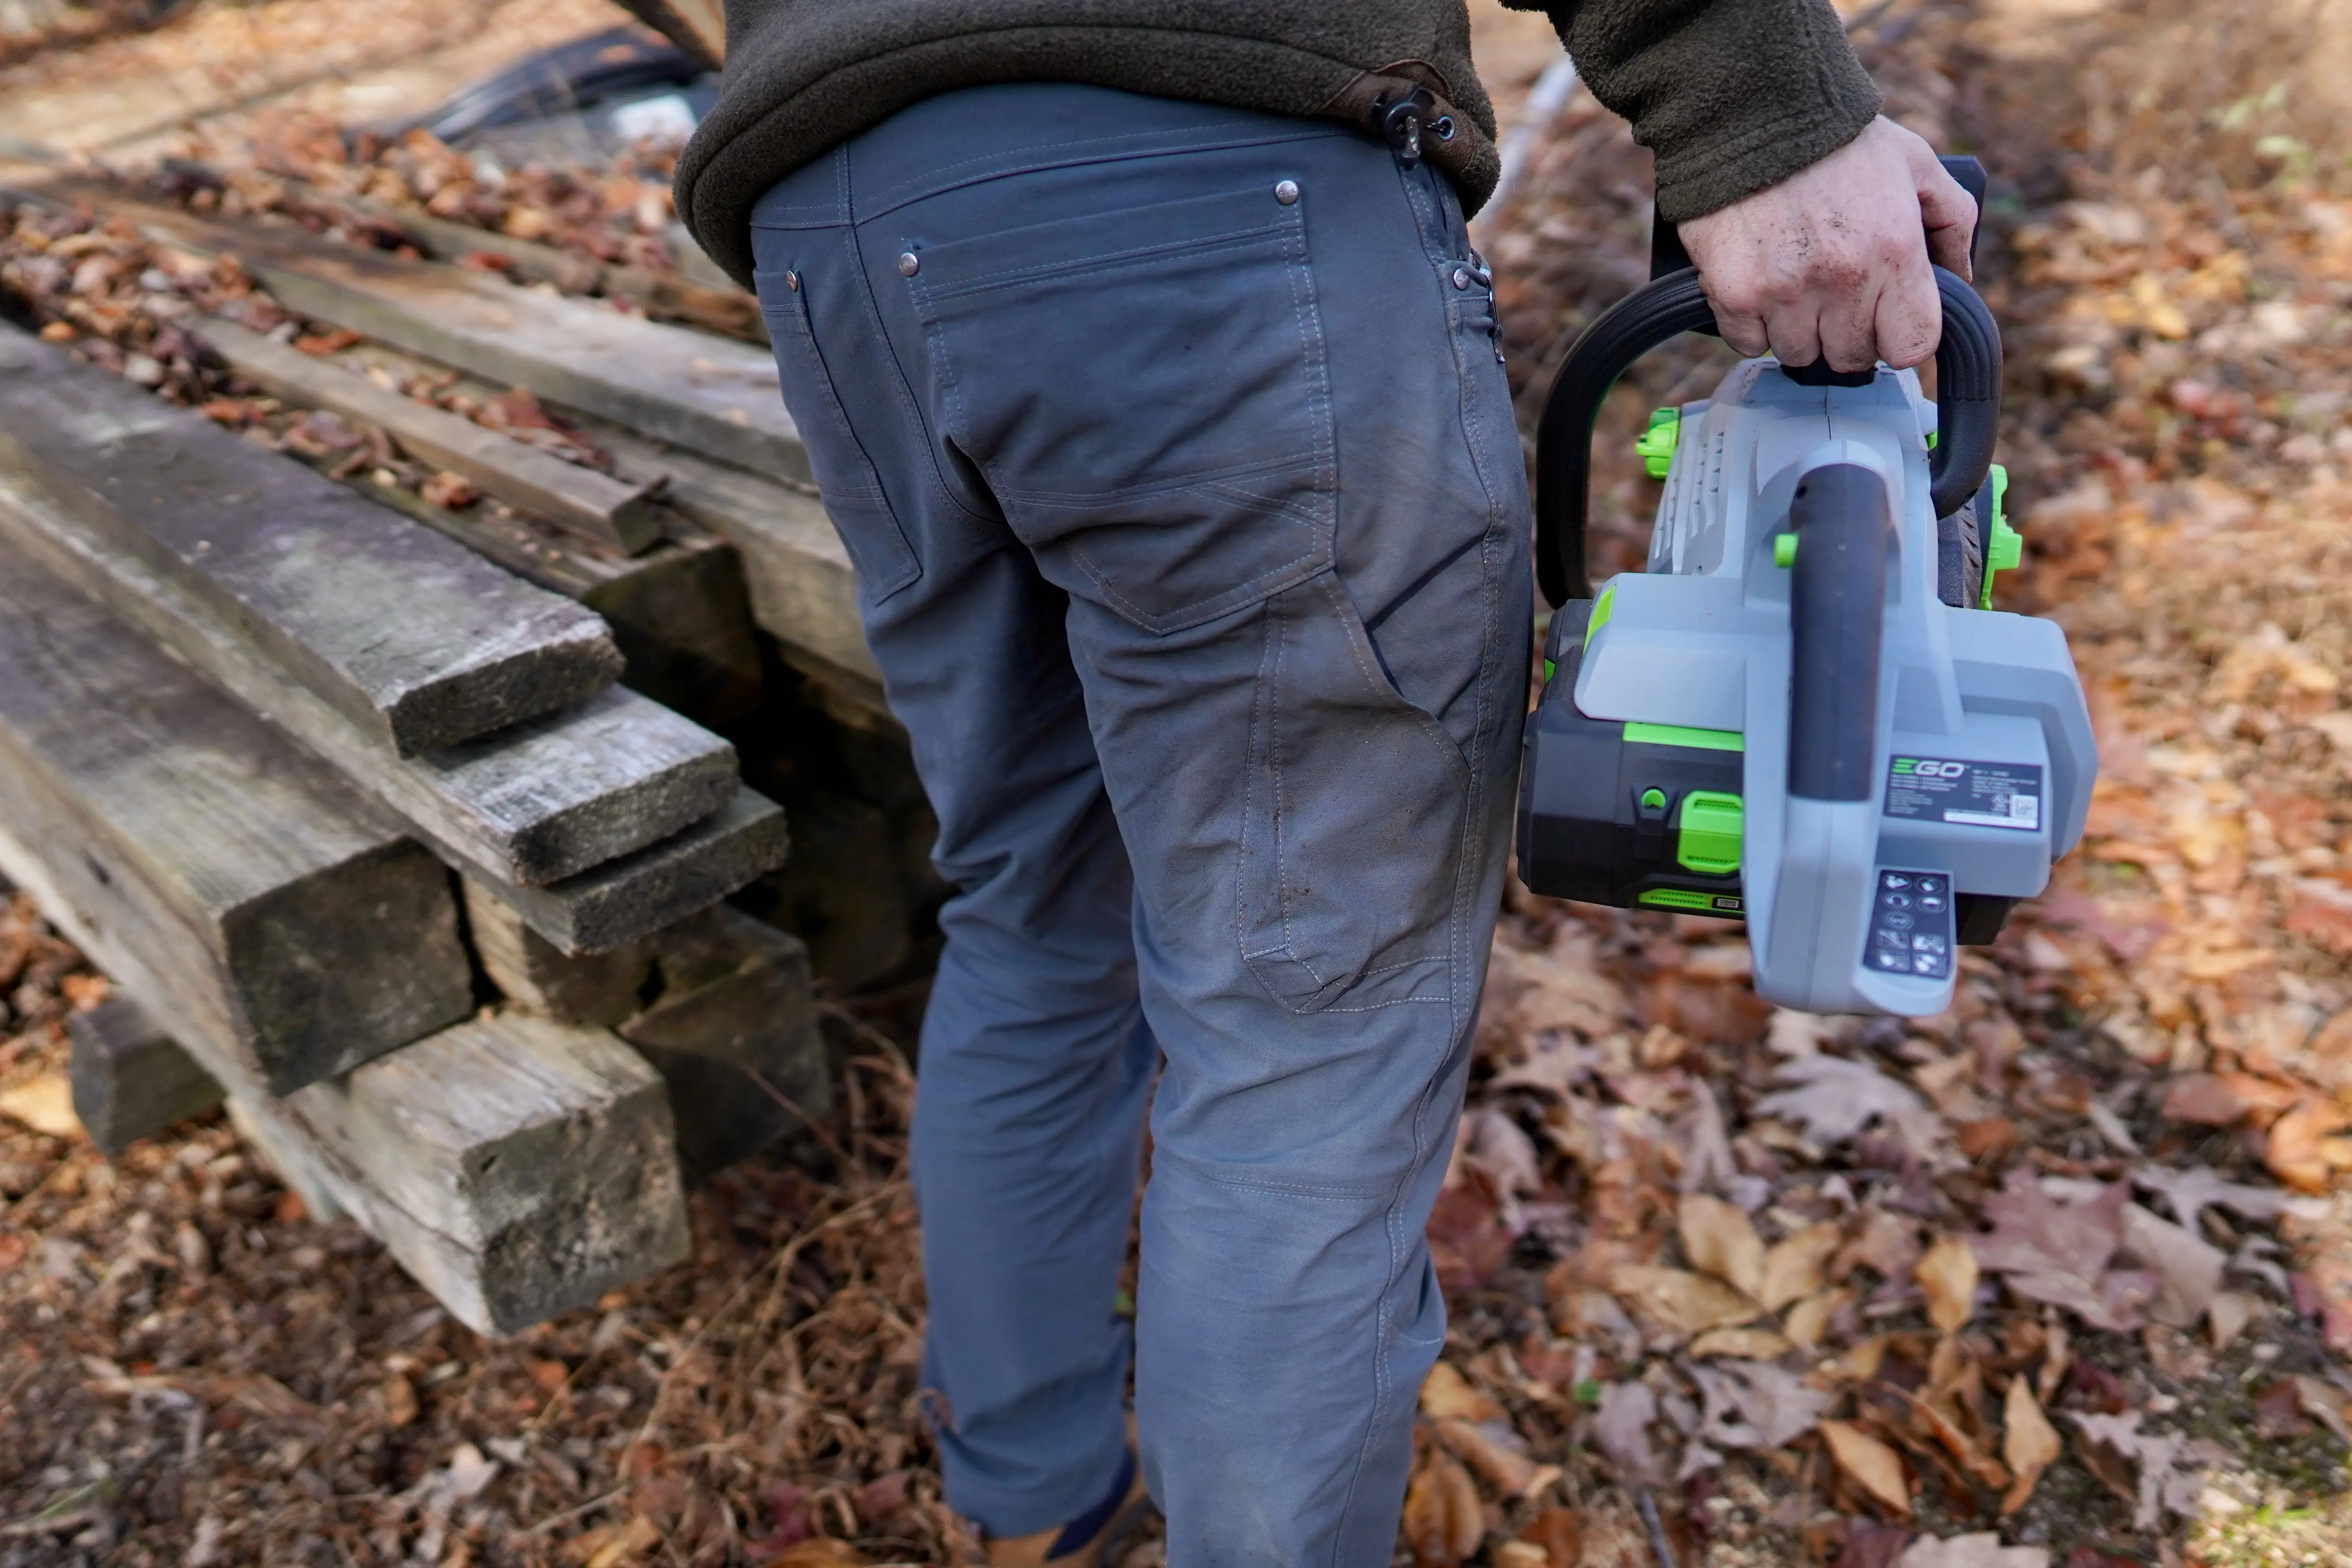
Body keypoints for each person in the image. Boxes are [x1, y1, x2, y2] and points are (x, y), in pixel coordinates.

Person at [673, 3, 1978, 1562]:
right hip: (1217, 180)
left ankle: (1032, 1504)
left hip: (841, 216)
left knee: (1032, 906)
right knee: (1305, 1024)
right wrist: (1767, 111)